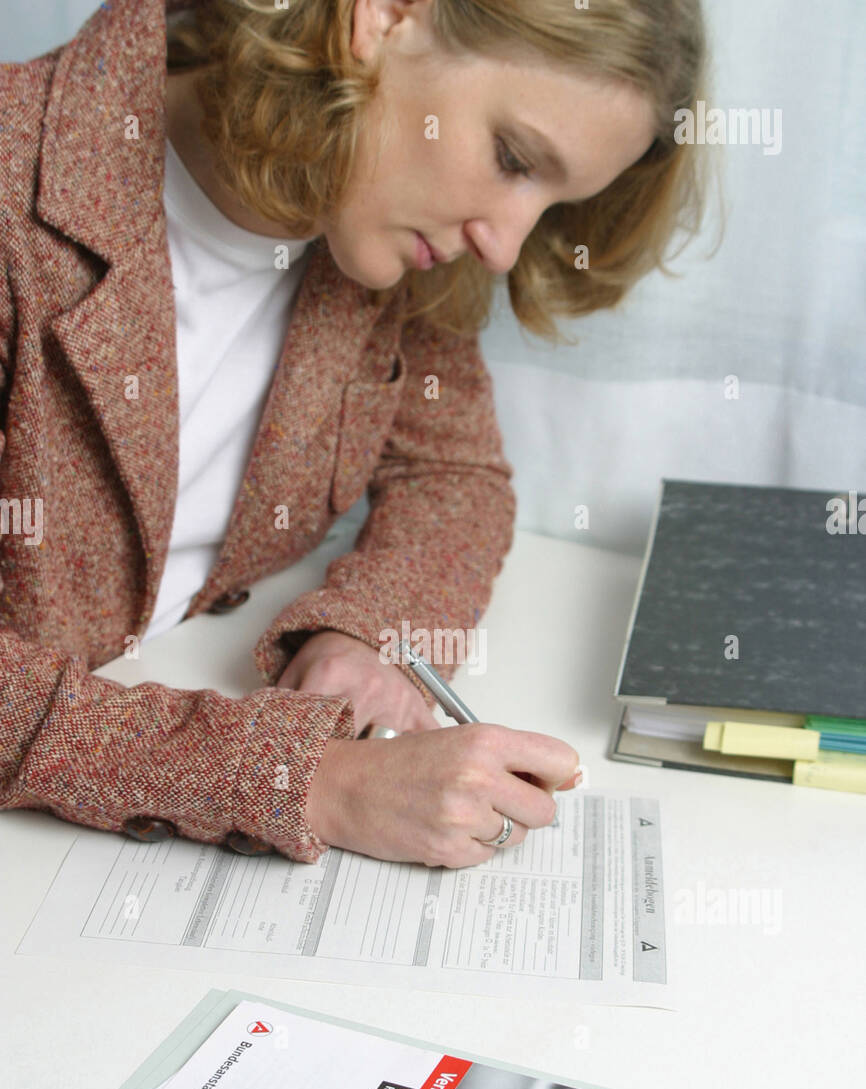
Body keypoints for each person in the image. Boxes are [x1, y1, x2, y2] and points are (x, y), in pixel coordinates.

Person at [0, 0, 706, 869]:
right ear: (382, 17)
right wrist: (309, 780)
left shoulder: (377, 229)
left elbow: (452, 474)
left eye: (551, 205)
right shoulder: (15, 181)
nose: (505, 244)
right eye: (513, 158)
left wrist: (368, 633)